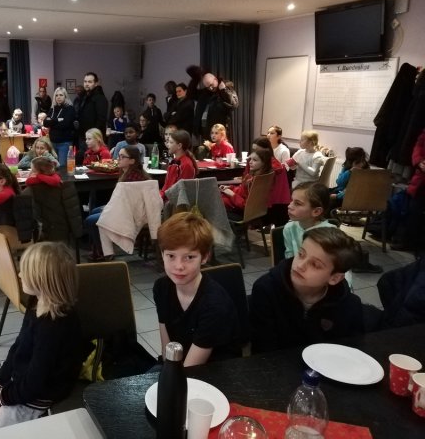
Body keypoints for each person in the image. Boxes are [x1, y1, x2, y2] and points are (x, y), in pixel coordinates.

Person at [0, 242, 84, 432]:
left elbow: (35, 384)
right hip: (23, 384)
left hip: (39, 394)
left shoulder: (54, 326)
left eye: (25, 272)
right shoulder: (36, 303)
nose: (19, 275)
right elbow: (18, 348)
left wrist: (1, 397)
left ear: (43, 281)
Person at [249, 227, 365, 354]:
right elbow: (264, 350)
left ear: (334, 278)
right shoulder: (266, 289)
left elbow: (348, 353)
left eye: (315, 265)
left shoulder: (349, 306)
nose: (300, 265)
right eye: (300, 254)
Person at [153, 212, 239, 365]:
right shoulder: (162, 287)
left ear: (205, 257)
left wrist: (170, 373)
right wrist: (167, 368)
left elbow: (191, 368)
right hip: (181, 366)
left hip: (213, 371)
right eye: (171, 256)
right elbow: (168, 350)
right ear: (162, 254)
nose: (179, 266)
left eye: (189, 257)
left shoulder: (214, 304)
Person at [85, 145, 151, 261]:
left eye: (122, 157)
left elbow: (130, 205)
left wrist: (109, 209)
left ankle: (105, 253)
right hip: (124, 207)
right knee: (95, 210)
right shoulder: (127, 173)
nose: (118, 159)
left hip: (132, 213)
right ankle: (99, 249)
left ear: (132, 161)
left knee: (91, 220)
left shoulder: (133, 178)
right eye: (118, 156)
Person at [186, 66, 239, 142]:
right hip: (205, 131)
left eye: (211, 85)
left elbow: (234, 105)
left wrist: (223, 91)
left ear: (216, 79)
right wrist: (195, 79)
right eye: (208, 87)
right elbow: (191, 94)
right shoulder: (206, 93)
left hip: (219, 131)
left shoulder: (226, 88)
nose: (210, 88)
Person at [220, 148, 273, 214]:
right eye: (250, 159)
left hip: (241, 210)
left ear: (264, 163)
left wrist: (232, 194)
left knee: (215, 201)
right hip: (237, 201)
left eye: (255, 160)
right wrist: (230, 188)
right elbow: (242, 190)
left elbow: (246, 206)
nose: (250, 162)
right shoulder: (253, 176)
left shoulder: (256, 182)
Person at [76, 72, 108, 164]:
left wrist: (93, 136)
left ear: (96, 83)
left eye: (90, 82)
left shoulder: (100, 98)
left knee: (93, 164)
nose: (86, 84)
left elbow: (101, 119)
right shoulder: (84, 97)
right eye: (85, 81)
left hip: (93, 137)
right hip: (83, 136)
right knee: (82, 163)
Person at [160, 129, 198, 200]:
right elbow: (166, 185)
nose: (168, 145)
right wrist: (160, 196)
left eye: (171, 142)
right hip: (168, 197)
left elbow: (182, 190)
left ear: (179, 145)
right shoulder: (174, 161)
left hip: (177, 201)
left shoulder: (186, 164)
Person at [44, 87, 76, 167]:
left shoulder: (70, 108)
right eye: (56, 95)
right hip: (52, 142)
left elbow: (65, 124)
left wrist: (52, 121)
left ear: (65, 96)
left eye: (61, 95)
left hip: (64, 143)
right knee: (52, 166)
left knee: (62, 167)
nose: (58, 97)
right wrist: (58, 120)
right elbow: (45, 123)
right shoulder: (52, 109)